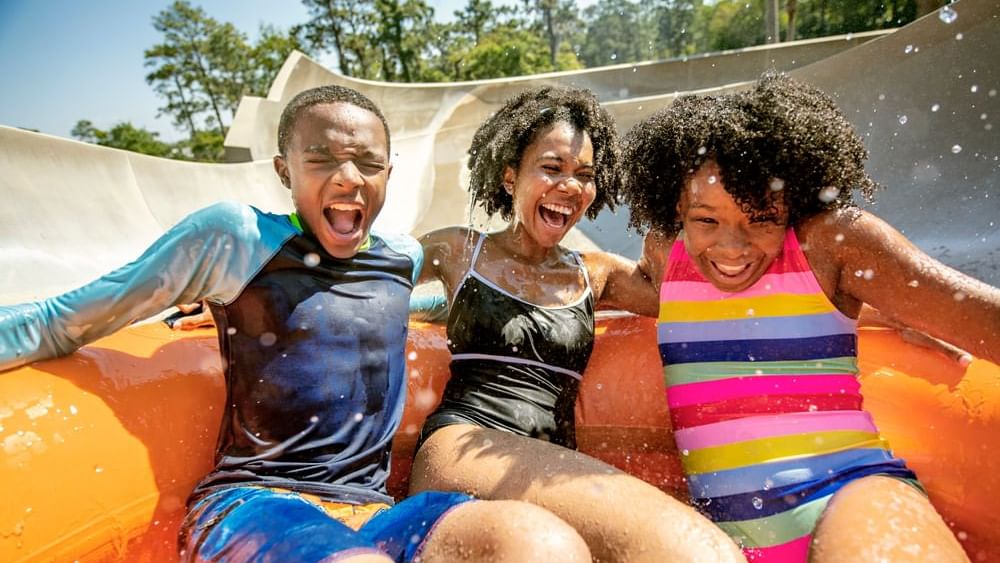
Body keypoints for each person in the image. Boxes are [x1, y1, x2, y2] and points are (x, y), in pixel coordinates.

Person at [0, 85, 592, 563]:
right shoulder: (236, 240)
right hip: (255, 503)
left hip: (373, 511)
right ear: (285, 170)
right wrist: (202, 302)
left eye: (367, 163)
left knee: (544, 543)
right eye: (323, 160)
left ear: (389, 172)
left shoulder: (398, 258)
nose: (348, 178)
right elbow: (63, 320)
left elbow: (416, 307)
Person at [621, 72, 999, 562]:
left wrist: (907, 312)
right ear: (675, 205)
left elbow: (976, 313)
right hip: (724, 541)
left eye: (761, 218)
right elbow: (592, 283)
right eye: (706, 220)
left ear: (793, 201)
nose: (732, 247)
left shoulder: (831, 243)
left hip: (852, 497)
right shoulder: (664, 255)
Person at [408, 85, 745, 562]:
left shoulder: (594, 272)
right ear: (510, 176)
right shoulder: (459, 250)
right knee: (696, 551)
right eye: (551, 168)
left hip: (543, 469)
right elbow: (369, 276)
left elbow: (679, 294)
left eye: (584, 175)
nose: (570, 186)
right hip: (460, 449)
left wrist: (666, 197)